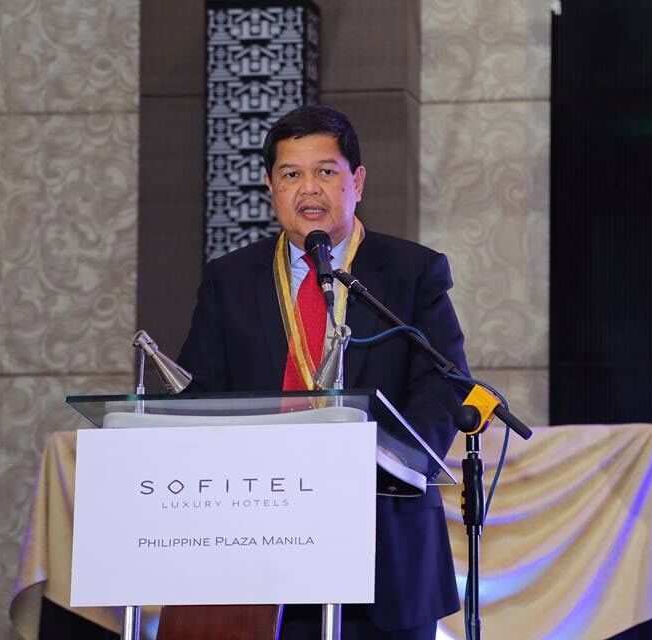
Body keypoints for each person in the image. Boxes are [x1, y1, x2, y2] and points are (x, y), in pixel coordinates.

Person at [178, 105, 466, 639]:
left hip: (385, 542)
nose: (308, 188)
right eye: (291, 174)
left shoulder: (411, 271)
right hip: (258, 543)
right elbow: (199, 399)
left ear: (357, 182)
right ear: (270, 186)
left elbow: (443, 386)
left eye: (326, 172)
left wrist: (393, 465)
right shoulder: (229, 280)